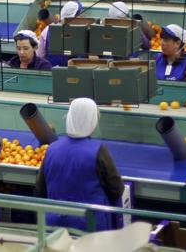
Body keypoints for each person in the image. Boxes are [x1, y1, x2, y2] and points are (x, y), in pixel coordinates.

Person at [35, 98, 124, 231]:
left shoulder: (52, 149)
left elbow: (40, 190)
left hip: (56, 226)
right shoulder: (99, 150)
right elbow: (116, 190)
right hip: (90, 226)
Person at [37, 1, 82, 67]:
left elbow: (40, 55)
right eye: (79, 15)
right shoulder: (81, 32)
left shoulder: (47, 30)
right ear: (75, 17)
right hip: (75, 73)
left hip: (52, 71)